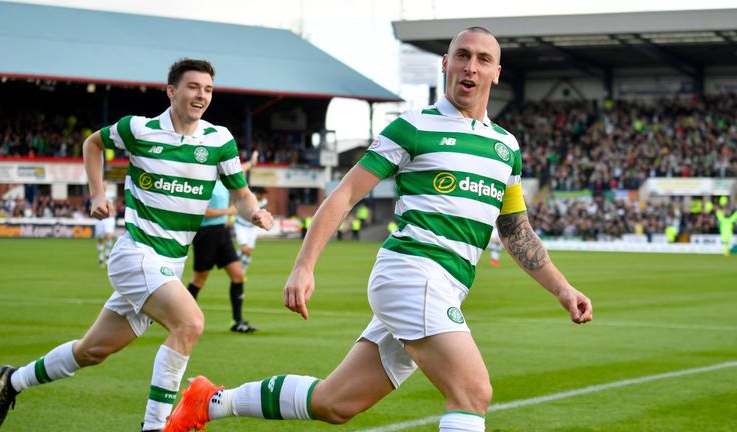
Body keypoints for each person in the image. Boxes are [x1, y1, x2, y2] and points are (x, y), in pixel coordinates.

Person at [165, 28, 592, 432]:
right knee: (472, 392)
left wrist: (562, 288)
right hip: (414, 274)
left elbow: (516, 231)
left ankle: (209, 401)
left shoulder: (506, 147)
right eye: (462, 56)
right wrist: (304, 265)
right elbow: (345, 194)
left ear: (496, 73)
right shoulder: (414, 126)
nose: (471, 66)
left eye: (483, 59)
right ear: (445, 63)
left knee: (335, 402)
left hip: (447, 285)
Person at [0, 58, 273, 432]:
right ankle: (155, 426)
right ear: (171, 91)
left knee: (91, 351)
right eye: (193, 87)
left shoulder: (220, 140)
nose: (201, 95)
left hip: (170, 264)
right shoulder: (139, 129)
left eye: (208, 89)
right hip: (136, 254)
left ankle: (13, 380)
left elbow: (242, 194)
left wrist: (256, 213)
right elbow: (93, 143)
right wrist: (97, 193)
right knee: (189, 323)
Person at [186, 150, 260, 333]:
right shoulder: (203, 183)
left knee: (238, 275)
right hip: (205, 235)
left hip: (222, 233)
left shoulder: (222, 181)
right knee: (199, 279)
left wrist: (251, 163)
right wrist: (228, 212)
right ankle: (180, 317)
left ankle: (238, 321)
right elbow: (204, 212)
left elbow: (239, 169)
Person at [233, 186, 268, 273]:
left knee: (248, 252)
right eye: (263, 195)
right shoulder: (249, 197)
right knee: (244, 249)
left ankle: (242, 270)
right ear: (259, 194)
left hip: (251, 227)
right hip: (241, 225)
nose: (264, 197)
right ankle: (233, 262)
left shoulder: (264, 201)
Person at [94, 180, 117, 267]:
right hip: (100, 218)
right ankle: (100, 255)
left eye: (105, 185)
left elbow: (114, 204)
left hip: (109, 218)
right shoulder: (96, 195)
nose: (103, 186)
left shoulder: (111, 194)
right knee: (100, 238)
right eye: (102, 185)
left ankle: (107, 255)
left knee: (109, 236)